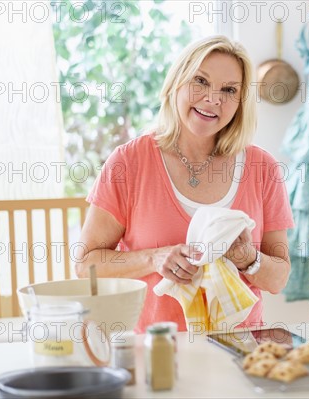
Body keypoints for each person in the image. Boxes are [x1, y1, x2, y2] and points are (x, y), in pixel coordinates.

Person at [76, 35, 294, 333]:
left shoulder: (263, 168)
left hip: (242, 349)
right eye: (200, 81)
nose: (212, 99)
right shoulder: (129, 162)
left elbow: (279, 278)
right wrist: (154, 258)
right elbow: (86, 264)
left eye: (229, 90)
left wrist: (247, 257)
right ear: (176, 82)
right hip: (157, 350)